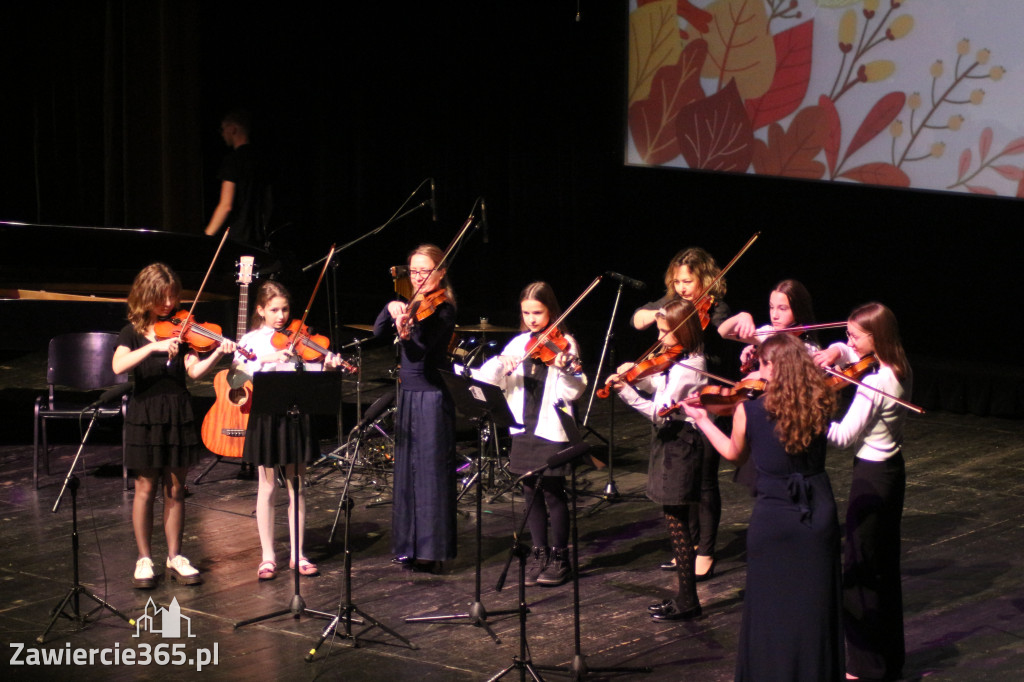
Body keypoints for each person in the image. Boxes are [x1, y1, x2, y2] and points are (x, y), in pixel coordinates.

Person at [684, 333, 844, 680]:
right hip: (817, 512)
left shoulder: (749, 408)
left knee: (771, 609)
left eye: (760, 365)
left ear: (772, 367)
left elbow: (734, 454)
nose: (756, 371)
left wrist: (702, 421)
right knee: (814, 608)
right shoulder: (822, 400)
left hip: (774, 518)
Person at [113, 263, 236, 589]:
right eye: (162, 297)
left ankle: (175, 555)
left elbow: (194, 372)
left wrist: (216, 355)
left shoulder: (184, 330)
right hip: (145, 412)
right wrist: (152, 347)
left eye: (173, 296)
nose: (169, 303)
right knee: (145, 488)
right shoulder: (132, 332)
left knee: (176, 489)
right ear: (146, 295)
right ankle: (143, 559)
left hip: (177, 410)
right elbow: (117, 366)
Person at [814, 303, 911, 682]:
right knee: (884, 569)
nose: (850, 341)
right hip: (892, 472)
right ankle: (888, 660)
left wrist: (815, 409)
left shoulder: (874, 382)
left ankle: (864, 666)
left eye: (856, 335)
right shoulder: (899, 365)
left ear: (876, 336)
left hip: (871, 478)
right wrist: (840, 350)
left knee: (860, 571)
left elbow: (841, 437)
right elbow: (851, 351)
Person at [233, 280, 348, 581]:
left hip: (296, 415)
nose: (281, 316)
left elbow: (311, 371)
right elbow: (236, 375)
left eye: (284, 309)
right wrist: (265, 360)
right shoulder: (253, 339)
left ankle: (298, 553)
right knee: (268, 486)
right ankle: (268, 556)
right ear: (260, 310)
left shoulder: (297, 339)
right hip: (267, 417)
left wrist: (328, 366)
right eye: (273, 310)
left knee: (296, 486)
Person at [475, 282, 588, 587]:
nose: (532, 319)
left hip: (550, 426)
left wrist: (567, 369)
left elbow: (573, 392)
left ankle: (561, 557)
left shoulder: (565, 344)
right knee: (529, 492)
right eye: (526, 313)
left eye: (537, 312)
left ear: (551, 310)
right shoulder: (518, 343)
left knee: (552, 492)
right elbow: (487, 381)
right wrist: (501, 364)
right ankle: (539, 555)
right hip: (523, 425)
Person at [632, 247, 732, 579]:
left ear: (705, 279)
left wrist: (709, 325)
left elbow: (720, 334)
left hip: (706, 401)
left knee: (703, 482)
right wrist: (660, 313)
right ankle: (686, 547)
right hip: (674, 399)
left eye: (688, 281)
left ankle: (706, 550)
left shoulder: (716, 309)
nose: (683, 288)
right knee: (681, 483)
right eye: (677, 281)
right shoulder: (673, 303)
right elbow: (638, 319)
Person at [606, 299, 707, 620]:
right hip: (669, 443)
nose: (660, 338)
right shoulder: (675, 362)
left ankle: (689, 600)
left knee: (678, 524)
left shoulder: (692, 367)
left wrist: (627, 391)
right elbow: (658, 383)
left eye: (666, 332)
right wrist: (634, 375)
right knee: (673, 521)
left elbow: (659, 413)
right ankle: (686, 597)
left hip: (679, 442)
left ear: (684, 331)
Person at [374, 244, 458, 572]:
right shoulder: (412, 303)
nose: (419, 278)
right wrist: (392, 307)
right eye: (414, 272)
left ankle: (432, 551)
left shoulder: (443, 309)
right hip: (408, 395)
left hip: (432, 397)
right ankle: (408, 544)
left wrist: (406, 332)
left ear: (441, 273)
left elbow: (421, 350)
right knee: (407, 472)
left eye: (426, 271)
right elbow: (380, 331)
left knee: (430, 476)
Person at [718, 278, 822, 380]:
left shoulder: (808, 347)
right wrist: (741, 316)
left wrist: (762, 375)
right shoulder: (769, 334)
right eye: (772, 307)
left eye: (782, 309)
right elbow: (723, 332)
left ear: (798, 310)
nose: (774, 315)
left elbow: (797, 381)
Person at [204, 109, 272, 249]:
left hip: (236, 239)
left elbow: (226, 205)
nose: (222, 134)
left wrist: (207, 236)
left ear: (233, 128)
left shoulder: (233, 161)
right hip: (258, 239)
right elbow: (269, 202)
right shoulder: (262, 160)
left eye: (223, 129)